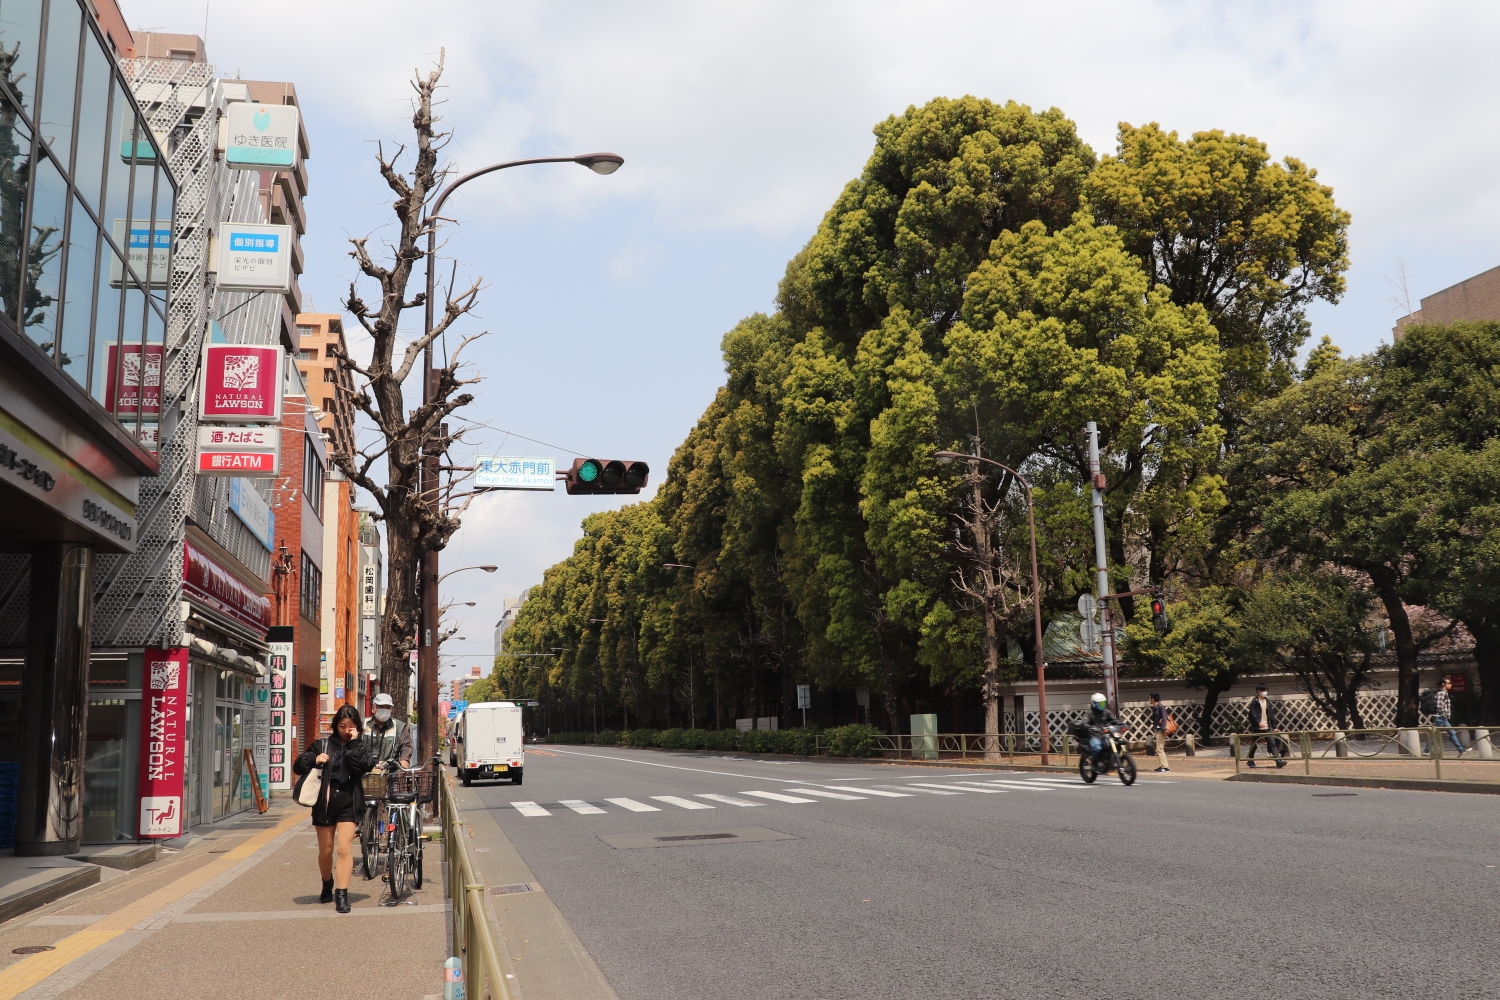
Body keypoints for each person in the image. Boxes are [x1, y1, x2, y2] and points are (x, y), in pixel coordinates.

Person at [294, 704, 375, 913]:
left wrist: (354, 745)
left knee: (344, 848)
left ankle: (342, 893)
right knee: (326, 850)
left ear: (357, 726)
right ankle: (327, 881)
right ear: (335, 725)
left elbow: (362, 767)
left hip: (349, 801)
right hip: (325, 803)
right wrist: (314, 759)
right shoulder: (321, 745)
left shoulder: (361, 745)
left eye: (351, 726)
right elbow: (298, 766)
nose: (347, 730)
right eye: (342, 726)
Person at [366, 692, 413, 769]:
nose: (384, 710)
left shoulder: (399, 726)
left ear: (391, 709)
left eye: (387, 707)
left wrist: (404, 759)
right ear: (373, 708)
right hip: (366, 774)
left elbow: (407, 744)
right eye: (381, 707)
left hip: (391, 774)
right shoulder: (363, 724)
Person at [1245, 683, 1283, 768]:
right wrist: (1258, 722)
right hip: (1258, 727)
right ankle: (1250, 761)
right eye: (1263, 690)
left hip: (1267, 726)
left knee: (1272, 743)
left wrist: (1274, 726)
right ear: (1258, 691)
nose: (1265, 692)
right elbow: (1252, 713)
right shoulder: (1254, 701)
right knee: (1254, 744)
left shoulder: (1267, 701)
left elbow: (1271, 714)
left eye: (1266, 690)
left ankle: (1278, 761)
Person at [1428, 676, 1466, 756]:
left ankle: (1461, 749)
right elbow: (1438, 705)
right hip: (1440, 717)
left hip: (1443, 718)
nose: (1450, 684)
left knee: (1452, 733)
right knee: (1436, 735)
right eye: (1449, 683)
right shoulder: (1441, 693)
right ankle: (1426, 750)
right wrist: (1443, 713)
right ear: (1443, 684)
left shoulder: (1444, 692)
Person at [1086, 692, 1118, 770]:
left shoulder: (1106, 712)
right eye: (1100, 704)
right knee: (1097, 748)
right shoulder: (1090, 713)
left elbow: (1114, 720)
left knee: (1115, 743)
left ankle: (1111, 761)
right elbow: (1084, 722)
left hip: (1105, 735)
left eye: (1103, 703)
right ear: (1094, 703)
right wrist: (1090, 727)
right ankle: (1094, 763)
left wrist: (1121, 724)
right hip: (1095, 735)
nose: (1102, 705)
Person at [1149, 693, 1170, 772]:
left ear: (1153, 699)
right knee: (1159, 749)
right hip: (1157, 730)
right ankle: (1163, 765)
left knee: (1160, 749)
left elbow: (1164, 718)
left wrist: (1164, 729)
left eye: (1149, 698)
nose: (1149, 699)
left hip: (1161, 730)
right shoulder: (1155, 708)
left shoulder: (1160, 707)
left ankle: (1165, 767)